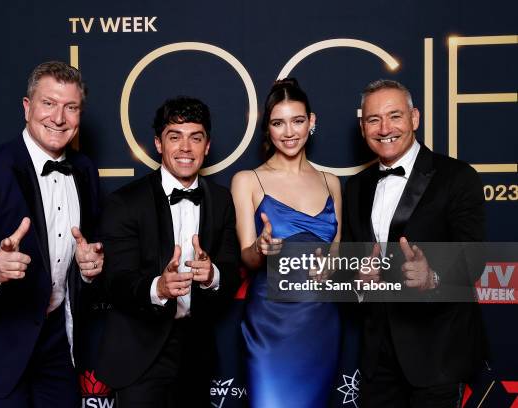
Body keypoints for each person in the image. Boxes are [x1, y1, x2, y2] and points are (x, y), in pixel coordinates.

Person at [0, 61, 104, 407]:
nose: (59, 118)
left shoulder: (85, 171)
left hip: (58, 344)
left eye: (70, 107)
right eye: (48, 103)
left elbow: (84, 254)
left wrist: (90, 270)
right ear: (27, 107)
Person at [342, 79, 486, 407]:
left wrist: (432, 275)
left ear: (415, 118)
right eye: (373, 120)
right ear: (363, 127)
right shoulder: (355, 187)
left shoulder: (458, 177)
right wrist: (357, 279)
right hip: (377, 355)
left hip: (437, 352)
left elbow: (473, 257)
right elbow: (352, 260)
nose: (384, 128)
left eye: (395, 116)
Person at [95, 97, 240, 407]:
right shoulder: (125, 202)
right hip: (140, 350)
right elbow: (116, 280)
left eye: (195, 137)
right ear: (159, 144)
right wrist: (157, 288)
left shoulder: (221, 200)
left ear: (207, 145)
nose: (185, 147)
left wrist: (212, 274)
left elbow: (231, 269)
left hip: (196, 351)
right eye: (175, 136)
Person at [231, 78, 342, 407]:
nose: (289, 132)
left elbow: (336, 256)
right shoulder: (248, 181)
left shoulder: (331, 182)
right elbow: (248, 258)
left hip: (320, 323)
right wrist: (260, 249)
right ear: (268, 127)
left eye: (297, 120)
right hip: (270, 323)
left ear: (312, 121)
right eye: (278, 123)